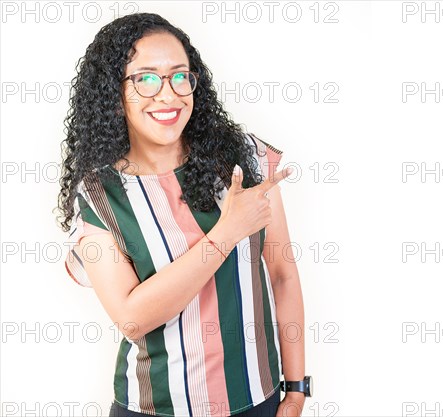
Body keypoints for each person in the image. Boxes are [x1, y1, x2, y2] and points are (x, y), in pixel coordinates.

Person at [56, 13, 308, 417]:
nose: (168, 94)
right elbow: (132, 318)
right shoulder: (100, 197)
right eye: (146, 79)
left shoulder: (245, 160)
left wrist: (295, 391)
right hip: (157, 407)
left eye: (179, 76)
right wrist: (227, 232)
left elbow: (282, 273)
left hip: (258, 400)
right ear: (114, 94)